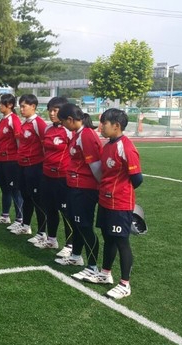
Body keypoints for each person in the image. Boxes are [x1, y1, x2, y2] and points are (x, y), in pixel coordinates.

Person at [85, 108, 143, 300]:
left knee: (121, 241)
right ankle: (105, 273)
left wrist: (121, 192)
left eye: (104, 123)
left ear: (116, 126)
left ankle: (125, 284)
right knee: (108, 237)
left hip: (119, 203)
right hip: (105, 199)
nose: (100, 127)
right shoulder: (108, 145)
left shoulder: (125, 147)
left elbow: (137, 178)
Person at [54, 104, 103, 282]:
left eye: (63, 122)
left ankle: (92, 266)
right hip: (75, 186)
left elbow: (96, 167)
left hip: (85, 189)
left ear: (70, 119)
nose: (63, 126)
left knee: (84, 226)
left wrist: (98, 187)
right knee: (76, 224)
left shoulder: (87, 135)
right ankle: (76, 256)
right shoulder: (78, 135)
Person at [35, 96, 74, 252]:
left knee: (65, 212)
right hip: (47, 176)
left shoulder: (69, 131)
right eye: (50, 110)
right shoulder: (48, 129)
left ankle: (70, 245)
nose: (51, 113)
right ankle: (51, 240)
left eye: (55, 110)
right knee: (50, 209)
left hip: (63, 178)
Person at [14, 94, 47, 242]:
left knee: (37, 199)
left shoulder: (38, 123)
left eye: (24, 106)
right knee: (26, 196)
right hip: (23, 165)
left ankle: (42, 233)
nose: (21, 109)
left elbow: (44, 144)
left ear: (33, 107)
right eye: (20, 106)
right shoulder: (25, 123)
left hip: (34, 166)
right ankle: (26, 225)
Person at [0, 94, 23, 227]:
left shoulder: (13, 119)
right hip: (1, 159)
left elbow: (18, 140)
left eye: (2, 104)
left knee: (15, 190)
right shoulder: (3, 120)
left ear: (9, 105)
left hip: (11, 160)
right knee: (5, 189)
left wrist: (18, 157)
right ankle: (5, 216)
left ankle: (20, 220)